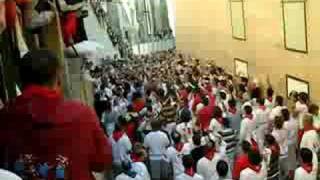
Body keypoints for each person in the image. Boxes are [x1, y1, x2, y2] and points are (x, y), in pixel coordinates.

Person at [0, 50, 112, 179]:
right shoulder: (81, 114)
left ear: (20, 81)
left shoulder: (4, 117)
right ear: (58, 77)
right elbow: (101, 161)